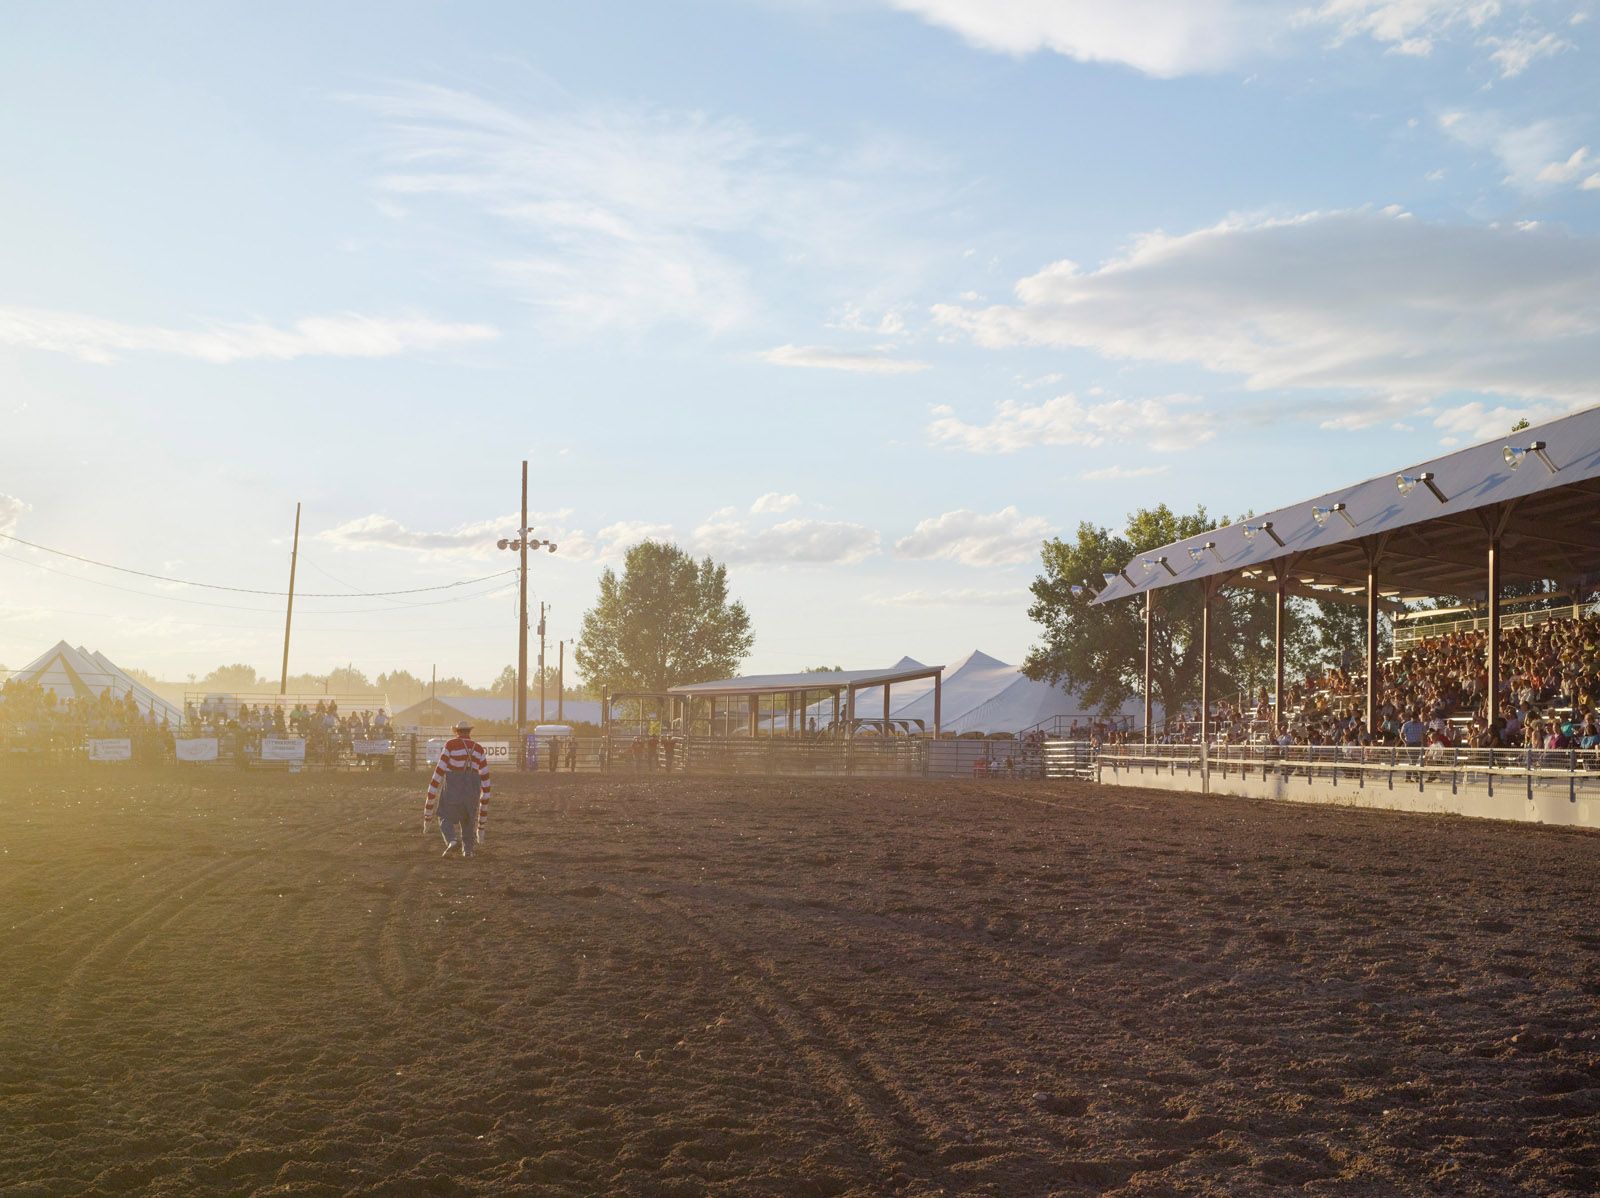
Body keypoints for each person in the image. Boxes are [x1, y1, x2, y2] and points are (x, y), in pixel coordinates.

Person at [423, 721, 491, 858]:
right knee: (468, 819)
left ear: (456, 732)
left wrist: (427, 815)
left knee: (444, 816)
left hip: (453, 788)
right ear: (469, 732)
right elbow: (486, 780)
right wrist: (481, 828)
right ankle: (468, 851)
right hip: (472, 789)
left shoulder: (450, 745)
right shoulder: (478, 749)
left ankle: (452, 840)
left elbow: (438, 772)